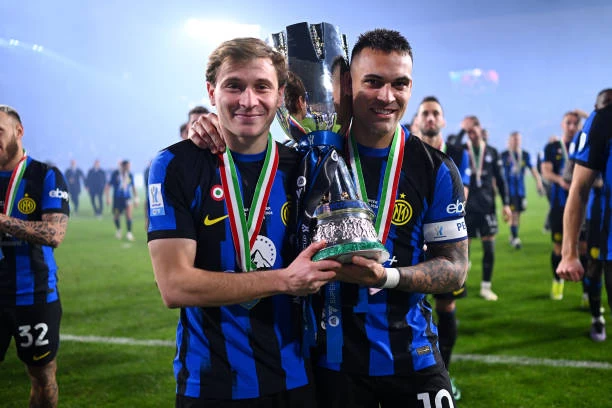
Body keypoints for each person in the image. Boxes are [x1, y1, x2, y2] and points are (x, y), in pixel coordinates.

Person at [189, 28, 468, 408]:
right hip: (328, 368)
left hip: (412, 359)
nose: (387, 96)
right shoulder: (301, 159)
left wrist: (386, 277)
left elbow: (455, 269)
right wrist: (210, 125)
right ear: (347, 88)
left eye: (399, 84)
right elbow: (245, 146)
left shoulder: (434, 168)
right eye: (373, 82)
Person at [147, 37, 339, 407]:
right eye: (234, 85)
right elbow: (175, 286)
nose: (248, 100)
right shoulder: (176, 165)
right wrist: (285, 280)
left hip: (296, 378)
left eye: (262, 87)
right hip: (210, 384)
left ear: (280, 96)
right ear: (211, 91)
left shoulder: (305, 168)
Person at [0, 105, 69, 408]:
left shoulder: (45, 175)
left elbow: (54, 234)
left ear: (19, 132)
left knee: (42, 376)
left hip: (34, 294)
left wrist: (2, 222)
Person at [415, 95, 470, 401]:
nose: (431, 118)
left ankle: (445, 373)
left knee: (446, 307)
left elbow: (463, 194)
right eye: (426, 113)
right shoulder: (406, 154)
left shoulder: (457, 154)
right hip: (413, 243)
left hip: (444, 239)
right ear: (417, 120)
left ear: (443, 120)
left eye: (436, 113)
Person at [558, 88, 612, 341]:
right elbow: (576, 184)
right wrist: (569, 253)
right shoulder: (600, 122)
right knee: (593, 267)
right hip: (599, 217)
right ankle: (596, 316)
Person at [462, 116, 512, 301]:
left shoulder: (491, 152)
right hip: (466, 207)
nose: (471, 134)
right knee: (463, 249)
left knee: (489, 248)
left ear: (480, 129)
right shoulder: (462, 150)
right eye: (467, 132)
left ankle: (486, 287)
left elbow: (501, 180)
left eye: (473, 130)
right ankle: (460, 284)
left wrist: (506, 204)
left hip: (487, 206)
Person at [541, 111, 583, 300]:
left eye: (576, 123)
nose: (572, 127)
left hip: (582, 204)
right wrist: (561, 181)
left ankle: (587, 292)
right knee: (558, 246)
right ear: (562, 124)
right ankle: (558, 282)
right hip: (559, 203)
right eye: (568, 123)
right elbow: (545, 171)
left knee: (584, 247)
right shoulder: (552, 147)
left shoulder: (585, 144)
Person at [500, 131, 544, 249]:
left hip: (520, 190)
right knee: (513, 213)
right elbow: (497, 173)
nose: (516, 142)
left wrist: (538, 182)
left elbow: (533, 169)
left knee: (518, 214)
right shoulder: (504, 155)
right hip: (509, 190)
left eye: (518, 139)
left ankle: (513, 235)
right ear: (509, 141)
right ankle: (515, 237)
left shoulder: (524, 154)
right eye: (514, 139)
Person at [106, 159, 138, 241]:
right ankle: (119, 230)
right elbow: (108, 186)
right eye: (128, 166)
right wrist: (108, 197)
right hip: (117, 199)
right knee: (116, 215)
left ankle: (129, 233)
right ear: (123, 166)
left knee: (129, 214)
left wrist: (136, 198)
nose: (129, 168)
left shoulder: (130, 175)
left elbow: (133, 187)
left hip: (127, 198)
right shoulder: (115, 174)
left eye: (129, 166)